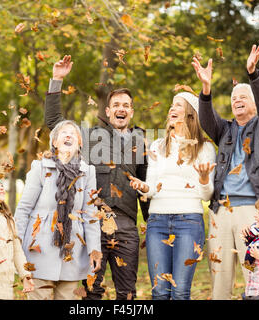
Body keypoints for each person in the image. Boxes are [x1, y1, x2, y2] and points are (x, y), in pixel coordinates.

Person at [44, 55, 150, 300]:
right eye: (116, 105)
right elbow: (54, 123)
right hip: (93, 225)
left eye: (126, 105)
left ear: (131, 111)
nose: (121, 109)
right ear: (108, 110)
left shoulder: (140, 143)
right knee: (92, 291)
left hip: (126, 226)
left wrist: (151, 223)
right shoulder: (90, 138)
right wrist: (57, 80)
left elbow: (146, 189)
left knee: (127, 293)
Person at [191, 44, 259, 299]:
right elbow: (207, 120)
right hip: (221, 211)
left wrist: (253, 75)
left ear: (253, 102)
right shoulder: (226, 131)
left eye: (243, 97)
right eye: (233, 99)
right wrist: (206, 90)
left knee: (256, 277)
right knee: (219, 278)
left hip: (254, 211)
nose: (237, 101)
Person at [128, 91, 216, 300]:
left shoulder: (204, 148)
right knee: (159, 291)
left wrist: (203, 178)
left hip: (189, 222)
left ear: (191, 114)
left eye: (178, 105)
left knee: (179, 291)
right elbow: (152, 188)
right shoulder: (158, 146)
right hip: (157, 222)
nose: (171, 108)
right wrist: (142, 187)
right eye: (171, 104)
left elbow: (207, 195)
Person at [14, 120, 102, 300]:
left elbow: (91, 214)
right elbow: (23, 210)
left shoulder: (87, 172)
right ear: (54, 142)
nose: (68, 135)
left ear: (80, 143)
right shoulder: (40, 167)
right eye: (63, 132)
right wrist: (16, 247)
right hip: (38, 249)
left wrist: (94, 250)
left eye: (73, 133)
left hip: (72, 250)